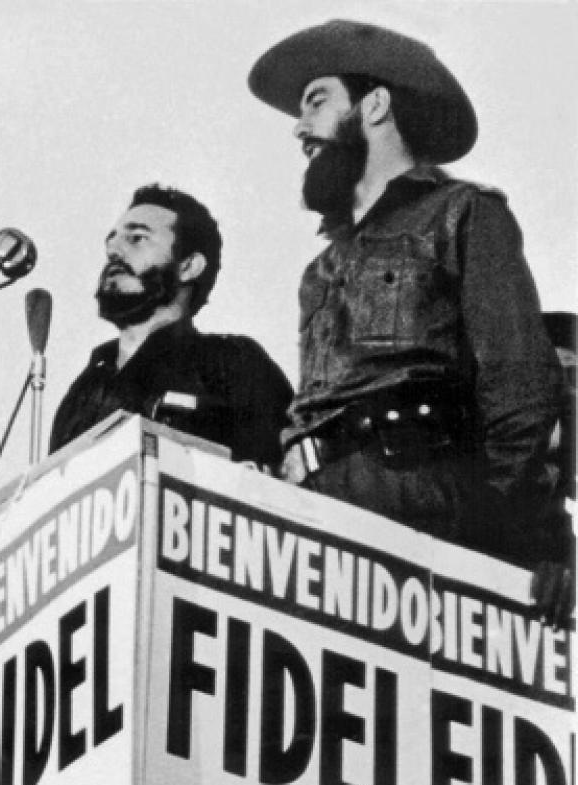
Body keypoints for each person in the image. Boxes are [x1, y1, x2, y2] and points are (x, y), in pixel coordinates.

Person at [247, 20, 569, 622]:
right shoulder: (320, 271)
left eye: (316, 100)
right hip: (313, 506)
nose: (299, 126)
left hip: (416, 495)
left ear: (375, 104)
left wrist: (488, 528)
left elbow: (521, 386)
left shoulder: (464, 212)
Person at [49, 183, 292, 470]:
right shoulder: (85, 387)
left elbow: (284, 482)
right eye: (111, 243)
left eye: (137, 238)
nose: (114, 251)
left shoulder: (235, 363)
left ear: (188, 266)